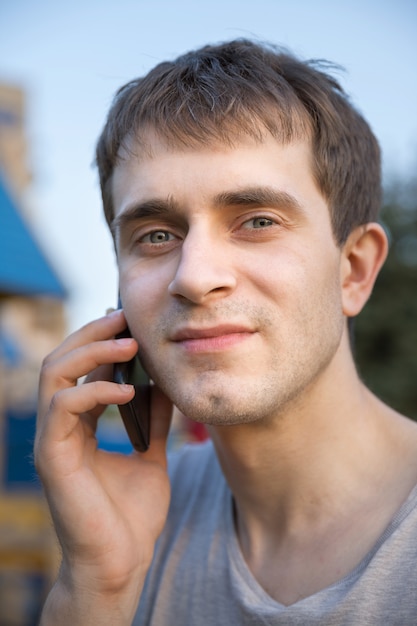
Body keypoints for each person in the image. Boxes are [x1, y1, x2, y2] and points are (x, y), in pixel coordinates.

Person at [35, 39, 417, 624]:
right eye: (156, 235)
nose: (193, 276)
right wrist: (97, 587)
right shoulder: (128, 513)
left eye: (258, 221)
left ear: (354, 269)